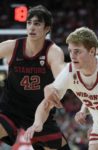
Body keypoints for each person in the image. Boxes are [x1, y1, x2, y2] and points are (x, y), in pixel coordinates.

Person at [25, 27, 98, 150]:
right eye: (71, 51)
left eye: (77, 51)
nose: (72, 56)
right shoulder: (69, 72)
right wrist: (37, 123)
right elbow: (47, 103)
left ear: (92, 51)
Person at [0, 5, 70, 150]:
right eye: (29, 23)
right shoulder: (12, 46)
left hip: (40, 113)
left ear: (47, 29)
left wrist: (56, 87)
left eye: (37, 24)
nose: (31, 27)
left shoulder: (53, 51)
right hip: (10, 109)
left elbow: (61, 74)